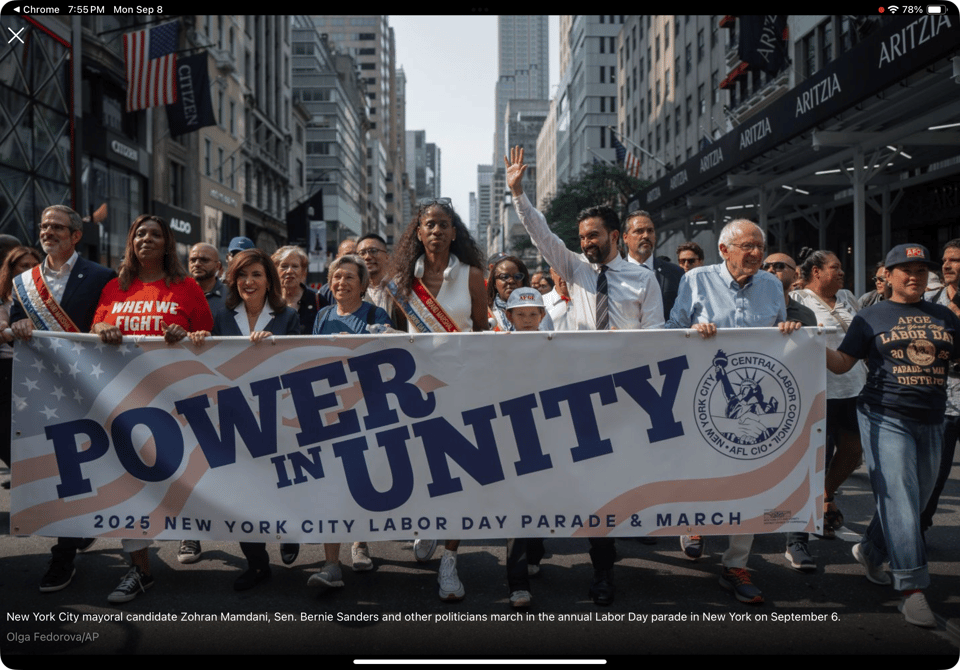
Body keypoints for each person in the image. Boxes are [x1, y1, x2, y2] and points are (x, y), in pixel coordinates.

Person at [506, 145, 663, 606]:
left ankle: (603, 571)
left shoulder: (643, 280)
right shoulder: (573, 268)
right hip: (572, 394)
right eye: (582, 236)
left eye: (593, 235)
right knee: (546, 474)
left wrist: (625, 353)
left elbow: (656, 337)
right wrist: (518, 194)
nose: (586, 242)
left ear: (614, 235)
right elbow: (541, 234)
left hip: (622, 398)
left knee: (602, 491)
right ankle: (533, 546)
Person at [665, 219, 801, 605]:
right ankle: (692, 523)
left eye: (760, 246)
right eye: (747, 246)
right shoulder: (696, 280)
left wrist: (788, 328)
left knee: (749, 480)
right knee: (698, 471)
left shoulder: (772, 285)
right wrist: (694, 333)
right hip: (700, 399)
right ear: (724, 250)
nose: (757, 253)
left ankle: (736, 565)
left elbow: (777, 335)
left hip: (752, 404)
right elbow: (671, 329)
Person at [826, 243, 960, 628]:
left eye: (920, 270)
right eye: (906, 270)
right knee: (899, 496)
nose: (915, 277)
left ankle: (871, 551)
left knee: (915, 502)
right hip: (884, 415)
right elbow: (843, 363)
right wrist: (810, 343)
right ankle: (912, 588)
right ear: (888, 275)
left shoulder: (944, 316)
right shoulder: (871, 316)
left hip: (933, 418)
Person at [91, 214, 213, 603]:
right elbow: (93, 330)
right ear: (131, 242)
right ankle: (139, 569)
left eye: (155, 234)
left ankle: (190, 533)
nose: (146, 239)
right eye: (139, 233)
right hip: (124, 402)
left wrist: (186, 335)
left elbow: (210, 340)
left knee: (183, 475)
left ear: (167, 244)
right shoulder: (114, 288)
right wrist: (102, 330)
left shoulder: (187, 287)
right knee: (130, 481)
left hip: (176, 401)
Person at [3, 205, 117, 593]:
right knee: (50, 471)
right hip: (39, 390)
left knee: (75, 471)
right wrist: (18, 323)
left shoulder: (100, 276)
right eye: (44, 225)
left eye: (56, 226)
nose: (47, 231)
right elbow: (17, 323)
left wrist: (104, 325)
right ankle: (72, 538)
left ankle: (65, 552)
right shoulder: (24, 281)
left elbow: (106, 319)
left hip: (85, 387)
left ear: (75, 235)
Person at [389, 196, 487, 601]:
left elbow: (482, 332)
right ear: (418, 231)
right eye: (429, 224)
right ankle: (427, 522)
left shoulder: (472, 276)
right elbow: (398, 337)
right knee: (421, 470)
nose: (436, 231)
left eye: (444, 224)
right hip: (417, 392)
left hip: (460, 387)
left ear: (454, 232)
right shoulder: (401, 282)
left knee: (457, 476)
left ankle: (450, 558)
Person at [188, 249, 299, 590]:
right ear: (233, 280)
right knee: (244, 492)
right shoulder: (221, 316)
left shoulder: (287, 316)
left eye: (256, 275)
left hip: (278, 415)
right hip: (234, 415)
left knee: (281, 484)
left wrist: (274, 344)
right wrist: (200, 340)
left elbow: (300, 361)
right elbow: (209, 362)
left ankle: (290, 532)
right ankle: (258, 564)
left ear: (269, 280)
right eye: (242, 275)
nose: (249, 282)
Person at [307, 254, 391, 590]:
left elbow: (385, 358)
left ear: (363, 284)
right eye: (336, 277)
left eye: (349, 277)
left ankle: (360, 543)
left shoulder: (375, 315)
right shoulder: (322, 315)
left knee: (360, 480)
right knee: (331, 485)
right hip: (328, 411)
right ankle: (331, 564)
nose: (341, 283)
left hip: (366, 409)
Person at [791, 250, 867, 541]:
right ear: (816, 272)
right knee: (815, 456)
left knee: (852, 450)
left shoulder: (848, 297)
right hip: (818, 390)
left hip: (854, 387)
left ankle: (825, 494)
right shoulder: (799, 300)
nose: (841, 272)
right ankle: (804, 524)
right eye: (835, 267)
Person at [763, 252, 819, 572]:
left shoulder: (805, 314)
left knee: (798, 470)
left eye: (779, 266)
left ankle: (796, 540)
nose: (771, 269)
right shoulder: (749, 308)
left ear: (795, 274)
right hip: (753, 403)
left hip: (792, 403)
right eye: (766, 266)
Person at [497, 287, 549, 608]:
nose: (527, 320)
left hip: (550, 435)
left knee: (540, 504)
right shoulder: (495, 347)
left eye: (533, 314)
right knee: (517, 508)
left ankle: (535, 551)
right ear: (509, 316)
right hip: (512, 435)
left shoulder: (558, 345)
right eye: (521, 315)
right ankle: (518, 585)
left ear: (542, 315)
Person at [919, 239, 960, 538]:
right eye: (945, 260)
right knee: (934, 472)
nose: (947, 265)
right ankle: (918, 528)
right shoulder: (930, 300)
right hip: (941, 397)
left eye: (955, 260)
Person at [0, 246, 42, 474]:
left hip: (34, 370)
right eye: (24, 265)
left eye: (35, 266)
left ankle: (25, 478)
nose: (30, 270)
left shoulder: (44, 298)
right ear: (11, 269)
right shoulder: (3, 298)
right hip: (7, 368)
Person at [623, 210, 684, 318]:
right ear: (625, 238)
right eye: (639, 231)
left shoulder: (675, 273)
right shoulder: (612, 273)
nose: (646, 236)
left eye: (650, 231)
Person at [487, 254, 553, 331]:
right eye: (505, 277)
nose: (511, 281)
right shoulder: (485, 312)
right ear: (494, 283)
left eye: (517, 277)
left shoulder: (538, 309)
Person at [272, 245, 327, 336]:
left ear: (303, 272)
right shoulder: (267, 300)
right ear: (275, 271)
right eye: (284, 266)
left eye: (295, 266)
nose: (289, 271)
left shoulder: (317, 300)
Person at [188, 243, 226, 315]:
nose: (197, 264)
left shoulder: (231, 296)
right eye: (193, 260)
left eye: (204, 260)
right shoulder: (177, 293)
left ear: (217, 266)